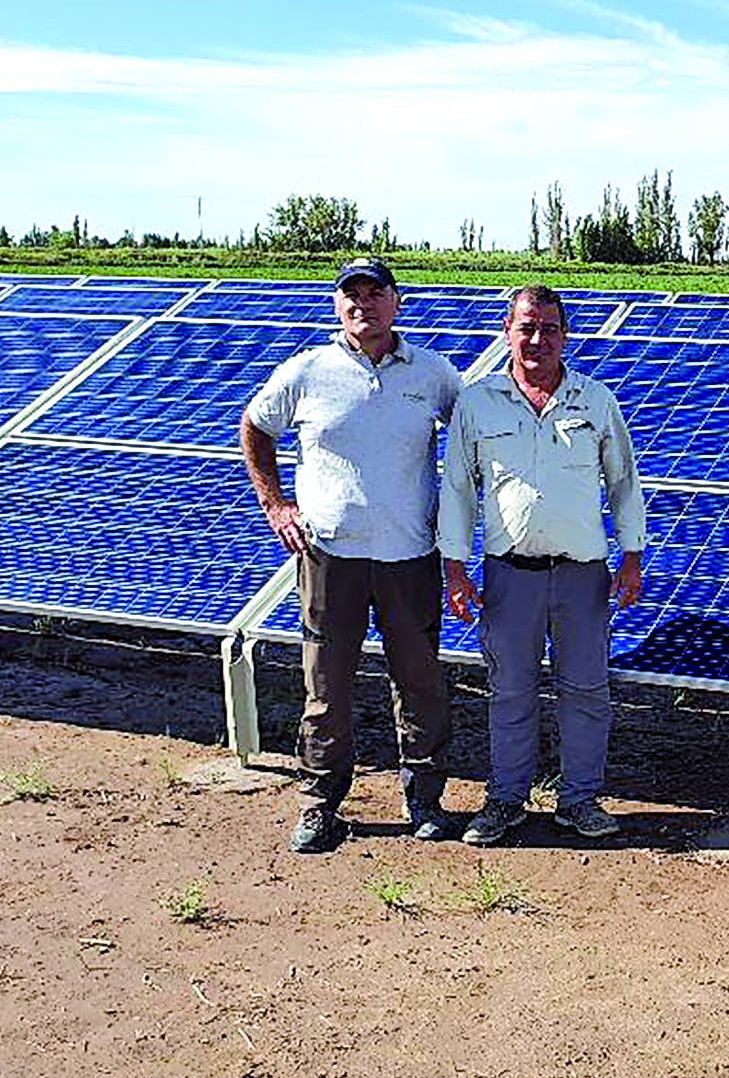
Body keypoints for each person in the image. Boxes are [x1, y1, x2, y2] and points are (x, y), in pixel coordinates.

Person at [239, 256, 463, 853]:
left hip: (409, 555)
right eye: (352, 294)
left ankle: (424, 798)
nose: (363, 303)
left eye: (375, 292)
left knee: (419, 680)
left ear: (396, 302)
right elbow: (255, 426)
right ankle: (321, 801)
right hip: (329, 556)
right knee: (326, 686)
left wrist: (460, 519)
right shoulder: (308, 371)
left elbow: (471, 437)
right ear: (338, 304)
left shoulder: (433, 374)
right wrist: (275, 505)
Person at [438, 284, 645, 845]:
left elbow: (624, 483)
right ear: (507, 332)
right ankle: (506, 800)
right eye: (526, 328)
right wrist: (454, 569)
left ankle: (580, 799)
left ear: (565, 336)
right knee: (510, 691)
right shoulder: (477, 404)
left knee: (586, 690)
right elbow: (457, 490)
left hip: (583, 576)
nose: (537, 340)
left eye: (549, 329)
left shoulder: (595, 401)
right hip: (509, 577)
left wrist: (631, 556)